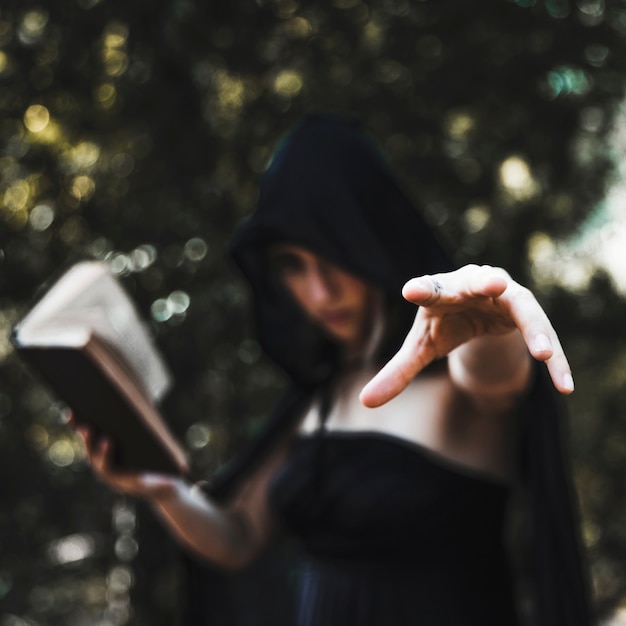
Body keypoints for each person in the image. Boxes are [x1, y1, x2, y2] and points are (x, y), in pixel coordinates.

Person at [76, 114, 591, 625]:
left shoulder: (455, 380)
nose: (319, 292)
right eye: (292, 265)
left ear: (373, 240)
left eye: (331, 255)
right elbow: (239, 538)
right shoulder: (315, 400)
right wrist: (162, 488)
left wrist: (491, 326)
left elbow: (494, 381)